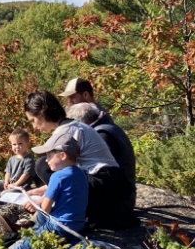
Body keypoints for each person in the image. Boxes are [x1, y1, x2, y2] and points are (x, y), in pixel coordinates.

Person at [24, 90, 137, 230]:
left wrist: (44, 199)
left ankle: (67, 215)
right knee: (48, 163)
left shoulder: (65, 132)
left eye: (33, 121)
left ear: (42, 113)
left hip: (106, 187)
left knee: (43, 164)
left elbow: (66, 174)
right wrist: (42, 190)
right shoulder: (74, 125)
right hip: (112, 185)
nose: (34, 127)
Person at [9, 133, 88, 249]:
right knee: (43, 223)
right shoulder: (81, 173)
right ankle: (70, 245)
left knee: (23, 248)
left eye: (49, 156)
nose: (46, 160)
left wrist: (34, 204)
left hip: (59, 226)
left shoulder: (57, 176)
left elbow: (45, 208)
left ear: (62, 155)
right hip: (77, 225)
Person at [66, 102, 137, 208]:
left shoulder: (102, 136)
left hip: (118, 201)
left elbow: (101, 176)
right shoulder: (106, 128)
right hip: (116, 193)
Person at [0, 128, 37, 202]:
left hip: (20, 186)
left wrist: (15, 184)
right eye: (14, 144)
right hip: (10, 184)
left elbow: (26, 175)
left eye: (20, 144)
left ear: (27, 144)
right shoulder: (12, 159)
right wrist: (6, 182)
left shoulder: (29, 160)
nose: (17, 146)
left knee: (4, 193)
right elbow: (8, 172)